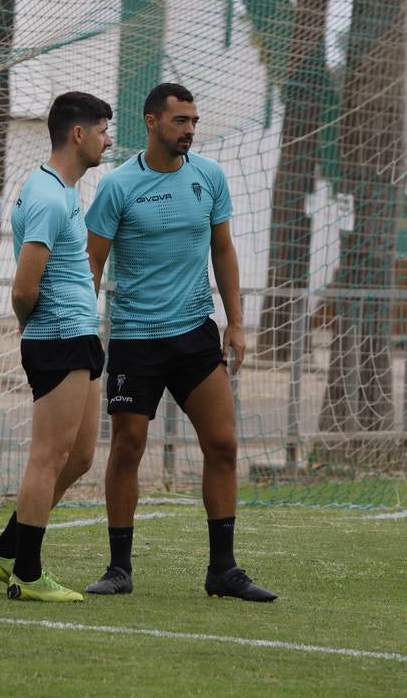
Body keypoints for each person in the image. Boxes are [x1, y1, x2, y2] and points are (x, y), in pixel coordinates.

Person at [84, 83, 277, 602]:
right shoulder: (118, 187)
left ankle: (223, 571)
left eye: (194, 121)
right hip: (134, 338)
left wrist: (236, 323)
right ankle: (119, 569)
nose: (189, 130)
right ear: (151, 122)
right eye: (180, 121)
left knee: (223, 445)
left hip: (195, 334)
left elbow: (224, 249)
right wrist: (84, 331)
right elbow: (92, 265)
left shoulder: (209, 177)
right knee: (127, 449)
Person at [0, 91, 113, 602]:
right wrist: (33, 330)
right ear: (78, 134)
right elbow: (23, 289)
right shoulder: (49, 196)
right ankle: (28, 574)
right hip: (57, 338)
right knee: (48, 457)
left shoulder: (62, 190)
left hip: (79, 336)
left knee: (77, 458)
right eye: (102, 129)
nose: (108, 139)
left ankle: (5, 550)